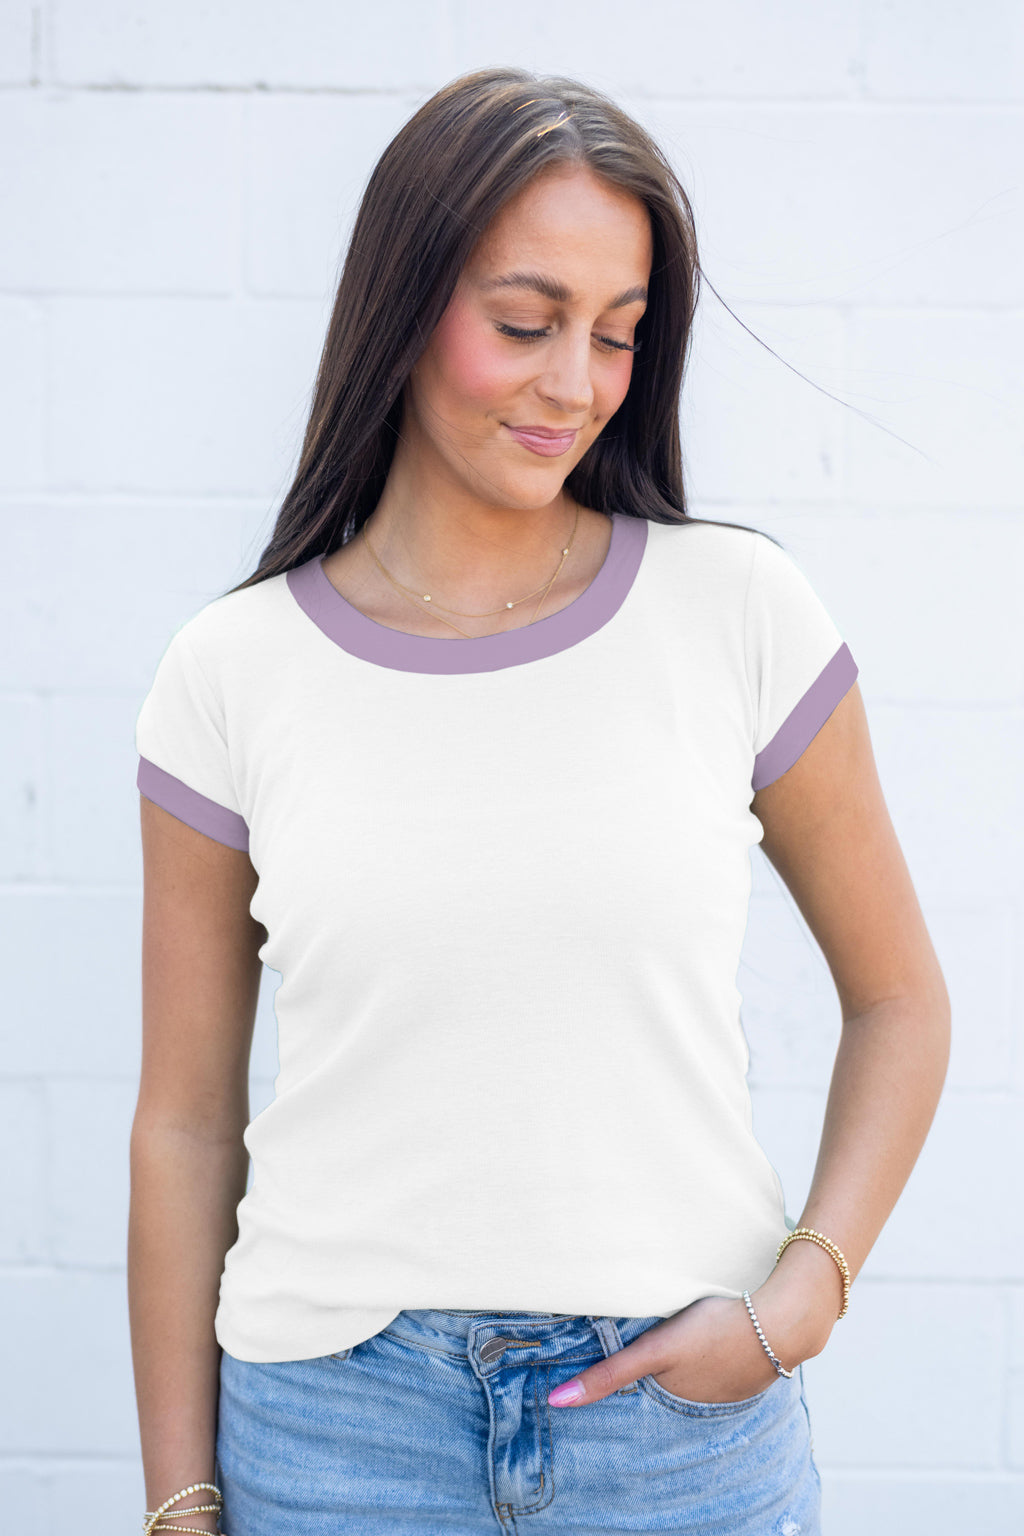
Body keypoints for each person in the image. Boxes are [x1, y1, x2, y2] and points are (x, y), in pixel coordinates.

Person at [129, 66, 950, 1536]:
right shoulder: (231, 672)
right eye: (526, 323)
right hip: (336, 1439)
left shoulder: (738, 612)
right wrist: (179, 1502)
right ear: (402, 306)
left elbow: (901, 1001)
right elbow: (186, 1123)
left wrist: (802, 1299)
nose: (576, 383)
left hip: (680, 1439)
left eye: (617, 333)